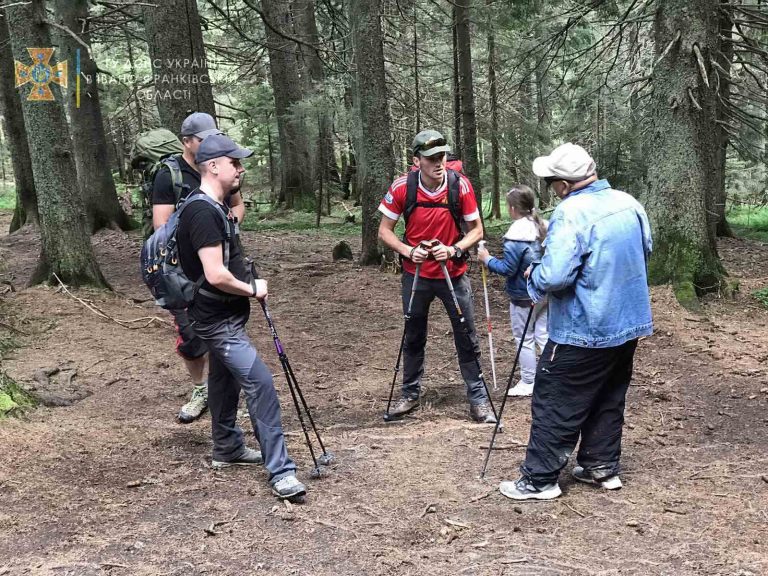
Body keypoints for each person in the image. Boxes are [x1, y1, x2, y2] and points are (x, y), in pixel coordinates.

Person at [498, 143, 653, 501]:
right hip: (628, 322)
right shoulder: (629, 203)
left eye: (552, 182)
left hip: (584, 327)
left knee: (554, 397)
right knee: (608, 393)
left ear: (565, 184)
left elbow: (555, 277)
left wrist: (533, 274)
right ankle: (600, 465)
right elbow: (646, 250)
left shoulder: (571, 212)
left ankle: (539, 479)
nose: (552, 188)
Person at [176, 134, 306, 501]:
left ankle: (227, 448)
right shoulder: (202, 211)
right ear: (214, 166)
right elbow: (215, 274)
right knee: (259, 382)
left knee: (223, 380)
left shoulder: (213, 206)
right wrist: (253, 289)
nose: (241, 168)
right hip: (215, 320)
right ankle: (281, 472)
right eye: (235, 162)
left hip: (223, 315)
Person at [378, 129, 496, 423]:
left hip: (453, 275)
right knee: (413, 334)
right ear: (416, 160)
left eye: (442, 156)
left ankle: (478, 399)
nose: (438, 162)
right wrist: (407, 251)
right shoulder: (402, 187)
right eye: (431, 158)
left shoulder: (460, 186)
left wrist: (454, 249)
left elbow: (477, 231)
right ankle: (409, 393)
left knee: (466, 334)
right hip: (415, 274)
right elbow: (384, 231)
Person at [151, 112, 246, 424]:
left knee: (225, 327)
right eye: (201, 139)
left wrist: (224, 232)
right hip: (183, 273)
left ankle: (222, 393)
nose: (208, 143)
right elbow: (161, 225)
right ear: (186, 142)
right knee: (191, 335)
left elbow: (237, 206)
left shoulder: (221, 166)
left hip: (217, 264)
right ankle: (200, 389)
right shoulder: (170, 175)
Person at [477, 185, 549, 397]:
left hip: (523, 295)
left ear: (513, 209)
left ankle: (529, 381)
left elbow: (508, 269)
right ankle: (550, 376)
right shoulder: (543, 227)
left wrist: (487, 259)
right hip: (545, 291)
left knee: (524, 337)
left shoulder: (516, 236)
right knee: (544, 334)